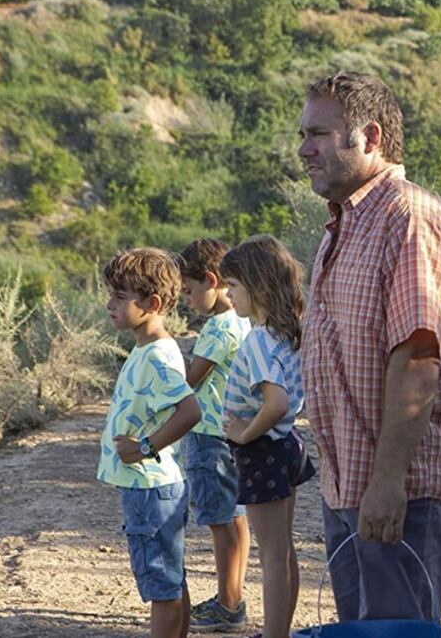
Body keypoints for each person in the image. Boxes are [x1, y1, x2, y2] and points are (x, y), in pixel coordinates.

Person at [298, 71, 441, 621]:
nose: (303, 149)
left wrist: (387, 483)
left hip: (401, 487)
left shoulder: (410, 219)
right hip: (350, 483)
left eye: (318, 134)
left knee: (396, 630)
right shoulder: (344, 224)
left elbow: (417, 358)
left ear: (371, 135)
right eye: (303, 135)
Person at [99, 248, 202, 638]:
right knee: (170, 579)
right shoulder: (148, 347)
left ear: (152, 303)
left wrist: (145, 447)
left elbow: (190, 411)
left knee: (162, 585)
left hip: (150, 487)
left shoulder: (158, 354)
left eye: (120, 297)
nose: (109, 305)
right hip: (151, 487)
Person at [219, 235, 316, 638]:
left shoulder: (259, 339)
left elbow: (274, 402)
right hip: (286, 446)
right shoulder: (285, 332)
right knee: (283, 552)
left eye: (234, 286)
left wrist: (243, 433)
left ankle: (276, 634)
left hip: (264, 449)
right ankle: (281, 629)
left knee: (272, 556)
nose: (228, 295)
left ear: (257, 287)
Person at [176, 238, 253, 634]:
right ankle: (232, 597)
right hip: (234, 433)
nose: (187, 301)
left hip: (209, 437)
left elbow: (190, 382)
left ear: (211, 280)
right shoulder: (243, 318)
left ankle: (227, 604)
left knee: (220, 523)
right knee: (236, 520)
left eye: (189, 291)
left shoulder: (218, 328)